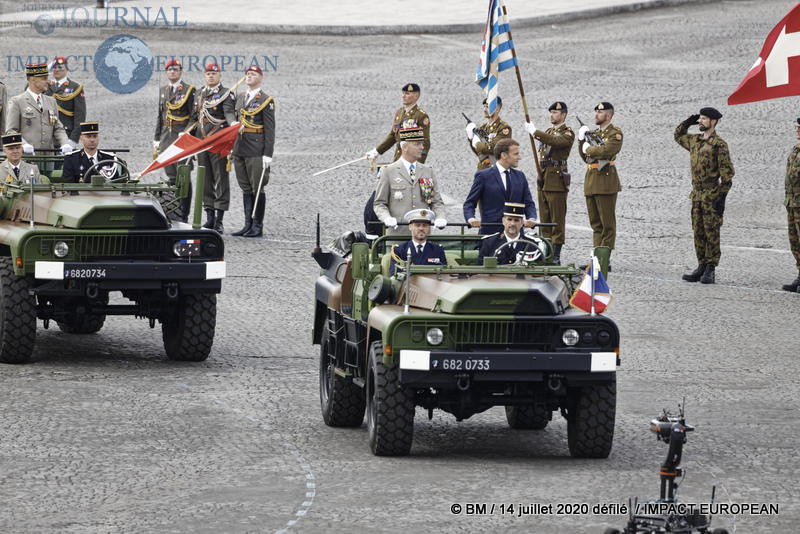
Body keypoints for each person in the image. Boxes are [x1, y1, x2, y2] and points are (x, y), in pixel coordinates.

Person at [675, 107, 734, 285]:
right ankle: (701, 265)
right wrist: (686, 123)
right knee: (698, 231)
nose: (700, 121)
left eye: (704, 118)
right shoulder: (695, 140)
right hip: (697, 194)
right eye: (700, 118)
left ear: (713, 121)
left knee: (712, 233)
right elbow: (678, 136)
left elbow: (728, 174)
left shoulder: (719, 145)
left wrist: (721, 198)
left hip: (711, 194)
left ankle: (711, 268)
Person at [364, 83, 430, 232]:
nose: (404, 96)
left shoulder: (421, 116)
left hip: (409, 167)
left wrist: (415, 166)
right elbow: (393, 136)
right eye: (403, 93)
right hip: (397, 164)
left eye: (407, 93)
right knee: (375, 205)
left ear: (416, 96)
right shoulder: (400, 113)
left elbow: (425, 145)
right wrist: (377, 151)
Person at [525, 101, 574, 264]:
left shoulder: (567, 133)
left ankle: (556, 255)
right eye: (551, 112)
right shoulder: (548, 131)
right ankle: (546, 250)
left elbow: (556, 142)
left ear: (563, 115)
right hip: (544, 178)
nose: (552, 115)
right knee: (545, 219)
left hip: (557, 181)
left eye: (555, 112)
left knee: (557, 219)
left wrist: (535, 132)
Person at [373, 126, 445, 236]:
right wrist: (386, 218)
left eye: (422, 143)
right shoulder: (388, 172)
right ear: (405, 147)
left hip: (422, 237)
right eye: (417, 144)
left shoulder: (428, 171)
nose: (422, 147)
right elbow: (379, 203)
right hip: (397, 236)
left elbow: (436, 202)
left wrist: (440, 217)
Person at [577, 102, 623, 266]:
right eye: (596, 111)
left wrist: (588, 149)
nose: (596, 114)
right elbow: (585, 157)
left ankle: (604, 259)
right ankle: (597, 258)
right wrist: (581, 140)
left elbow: (606, 151)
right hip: (591, 181)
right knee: (596, 224)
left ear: (608, 115)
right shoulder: (594, 133)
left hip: (606, 181)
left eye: (600, 112)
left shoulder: (615, 133)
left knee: (607, 224)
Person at [231, 65, 275, 238]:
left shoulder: (266, 100)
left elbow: (270, 130)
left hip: (256, 149)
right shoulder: (240, 98)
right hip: (239, 148)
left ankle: (258, 225)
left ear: (260, 78)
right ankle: (247, 224)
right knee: (245, 188)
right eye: (247, 74)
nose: (249, 77)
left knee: (257, 189)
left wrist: (268, 154)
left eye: (253, 74)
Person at [463, 138, 537, 235]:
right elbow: (469, 203)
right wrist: (471, 219)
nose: (519, 157)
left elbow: (529, 203)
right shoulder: (483, 176)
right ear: (504, 155)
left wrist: (531, 218)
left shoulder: (520, 176)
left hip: (515, 235)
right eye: (516, 154)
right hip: (491, 234)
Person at [194, 63, 236, 233]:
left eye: (214, 73)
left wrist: (233, 123)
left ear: (220, 76)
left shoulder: (226, 94)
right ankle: (209, 217)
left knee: (220, 180)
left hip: (218, 143)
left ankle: (219, 220)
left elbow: (228, 113)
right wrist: (186, 134)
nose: (211, 76)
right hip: (202, 142)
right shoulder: (199, 93)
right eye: (208, 73)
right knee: (205, 180)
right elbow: (194, 118)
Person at [154, 59, 196, 221]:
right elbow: (160, 115)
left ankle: (184, 214)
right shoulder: (163, 90)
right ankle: (174, 211)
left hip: (181, 137)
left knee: (183, 175)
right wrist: (156, 138)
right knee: (171, 176)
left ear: (181, 72)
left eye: (175, 69)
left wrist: (187, 133)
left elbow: (194, 116)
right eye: (169, 69)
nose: (172, 71)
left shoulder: (189, 90)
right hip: (166, 137)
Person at [5, 63, 71, 155]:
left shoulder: (51, 101)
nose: (47, 81)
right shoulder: (17, 102)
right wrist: (23, 145)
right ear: (33, 80)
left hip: (48, 158)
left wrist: (65, 143)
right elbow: (11, 131)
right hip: (28, 159)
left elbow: (57, 128)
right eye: (44, 78)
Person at [389, 208, 448, 274]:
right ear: (410, 227)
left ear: (429, 228)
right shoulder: (399, 250)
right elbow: (394, 275)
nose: (421, 228)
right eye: (417, 225)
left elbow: (444, 273)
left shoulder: (437, 250)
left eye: (425, 225)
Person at [46, 56, 86, 147]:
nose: (56, 70)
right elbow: (29, 87)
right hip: (47, 136)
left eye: (60, 67)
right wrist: (43, 73)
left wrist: (73, 140)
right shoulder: (46, 86)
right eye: (54, 67)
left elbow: (80, 116)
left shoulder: (75, 88)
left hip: (66, 135)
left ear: (66, 69)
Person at [465, 96, 511, 170]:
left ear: (497, 109)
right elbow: (478, 153)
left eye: (487, 107)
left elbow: (495, 148)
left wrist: (477, 144)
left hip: (497, 171)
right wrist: (471, 138)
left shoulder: (503, 128)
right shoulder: (483, 128)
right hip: (482, 171)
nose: (484, 110)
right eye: (484, 107)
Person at [782, 119, 800, 293]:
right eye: (797, 127)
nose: (798, 130)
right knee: (795, 241)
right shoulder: (795, 150)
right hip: (792, 203)